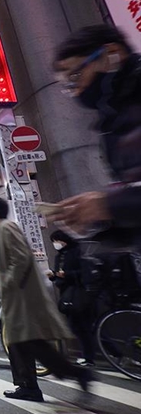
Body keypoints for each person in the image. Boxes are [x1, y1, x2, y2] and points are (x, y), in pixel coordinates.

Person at [0, 197, 93, 402]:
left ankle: (73, 374)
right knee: (21, 343)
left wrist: (6, 282)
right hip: (16, 297)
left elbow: (21, 258)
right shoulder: (2, 230)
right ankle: (29, 386)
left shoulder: (7, 228)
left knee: (28, 342)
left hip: (21, 297)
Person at [51, 25, 141, 249]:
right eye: (68, 87)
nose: (76, 91)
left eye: (76, 75)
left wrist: (109, 206)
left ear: (111, 54)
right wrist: (100, 222)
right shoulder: (111, 124)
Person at [47, 230, 95, 367]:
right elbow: (59, 277)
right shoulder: (59, 256)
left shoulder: (77, 252)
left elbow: (85, 273)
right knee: (81, 327)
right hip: (67, 294)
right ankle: (111, 354)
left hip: (79, 293)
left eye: (57, 240)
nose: (56, 244)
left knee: (82, 327)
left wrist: (67, 274)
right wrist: (53, 276)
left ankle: (89, 357)